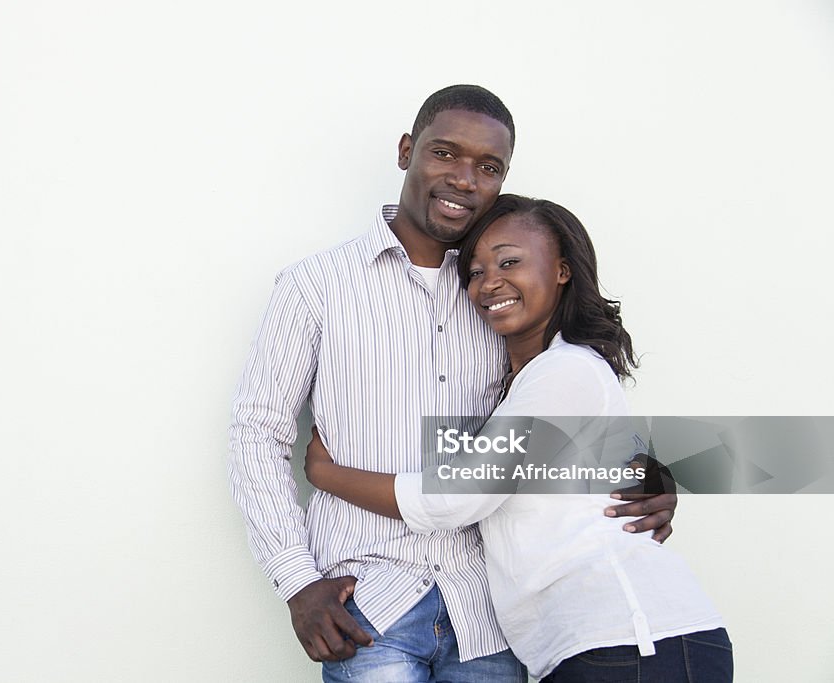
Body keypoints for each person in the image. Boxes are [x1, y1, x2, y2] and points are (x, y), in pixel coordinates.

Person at [228, 85, 678, 682]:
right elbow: (258, 434)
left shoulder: (503, 295)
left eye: (488, 167)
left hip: (489, 615)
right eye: (446, 153)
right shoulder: (316, 285)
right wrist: (296, 581)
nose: (466, 179)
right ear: (407, 151)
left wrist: (645, 474)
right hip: (369, 601)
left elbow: (558, 422)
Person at [304, 195, 733, 682]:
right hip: (596, 647)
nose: (490, 283)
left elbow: (454, 497)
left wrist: (325, 472)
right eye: (475, 271)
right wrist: (655, 472)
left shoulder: (565, 371)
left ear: (563, 271)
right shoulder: (534, 384)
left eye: (510, 262)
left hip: (630, 640)